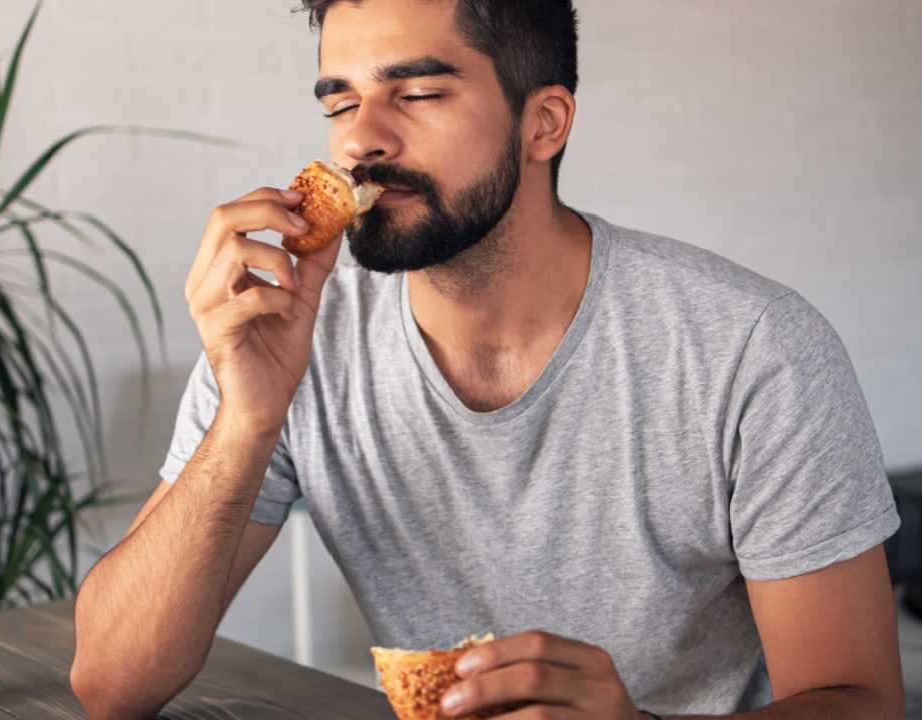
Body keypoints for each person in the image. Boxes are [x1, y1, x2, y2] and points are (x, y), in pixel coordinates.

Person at [69, 0, 905, 718]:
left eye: (419, 92)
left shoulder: (750, 351)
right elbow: (110, 683)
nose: (360, 141)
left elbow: (863, 699)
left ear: (544, 123)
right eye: (340, 102)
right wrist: (246, 417)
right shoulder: (294, 332)